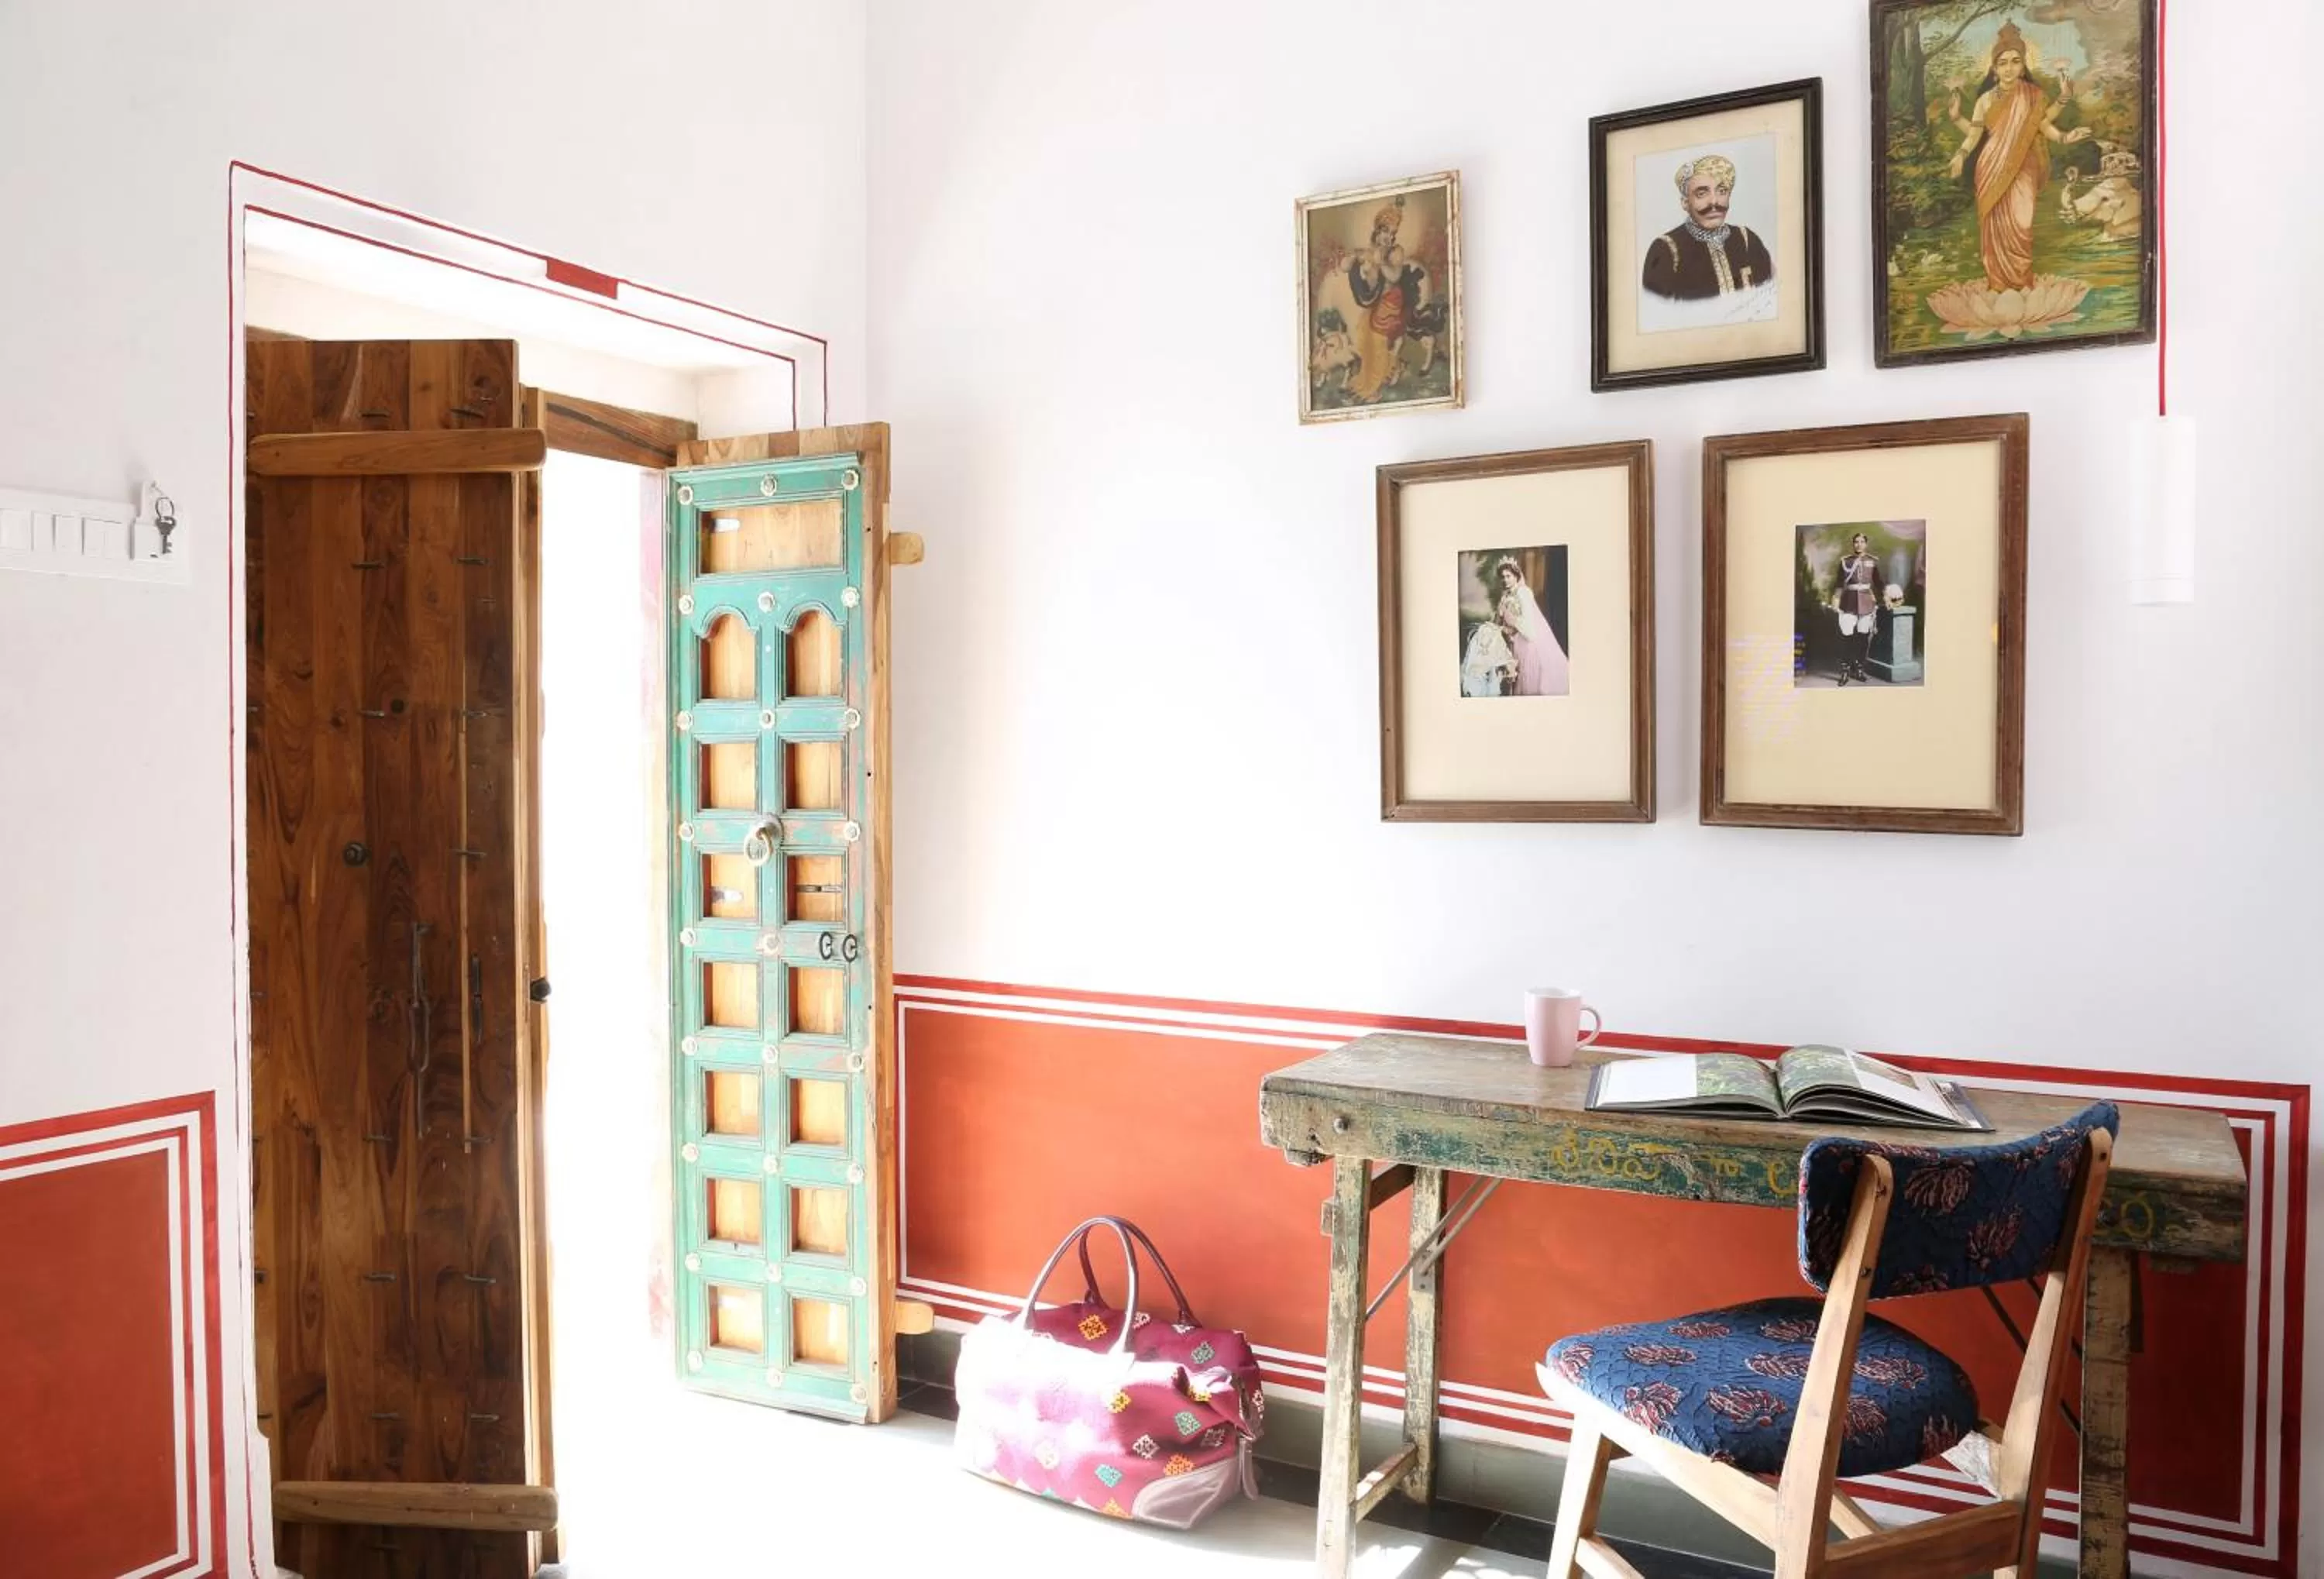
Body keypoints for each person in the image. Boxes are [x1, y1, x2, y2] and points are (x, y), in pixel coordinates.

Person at [1946, 20, 2093, 292]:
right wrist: (1960, 153)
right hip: (1990, 166)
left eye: (2015, 61)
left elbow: (2044, 126)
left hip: (2025, 166)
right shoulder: (1985, 100)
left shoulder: (2034, 95)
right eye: (2003, 63)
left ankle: (2021, 283)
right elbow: (1975, 135)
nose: (2009, 68)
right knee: (1994, 228)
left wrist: (2064, 136)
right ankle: (1999, 285)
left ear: (2023, 66)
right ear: (1993, 69)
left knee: (2022, 224)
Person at [1344, 198, 1447, 401]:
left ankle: (1373, 388)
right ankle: (1368, 378)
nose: (1389, 237)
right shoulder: (1371, 250)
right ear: (1378, 231)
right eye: (1386, 232)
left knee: (1378, 342)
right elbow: (1352, 264)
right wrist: (1350, 260)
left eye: (1393, 234)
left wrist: (1380, 262)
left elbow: (1394, 277)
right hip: (1376, 303)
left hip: (1392, 303)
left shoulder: (1395, 252)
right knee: (1364, 338)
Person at [1642, 154, 1775, 301]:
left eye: (1722, 191)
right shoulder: (1665, 250)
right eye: (1702, 194)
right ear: (1685, 203)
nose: (1714, 202)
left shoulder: (1747, 239)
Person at [1494, 559, 1569, 697]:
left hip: (1527, 643)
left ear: (1516, 576)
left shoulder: (1523, 592)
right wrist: (1502, 627)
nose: (1505, 580)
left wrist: (1513, 621)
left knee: (1530, 681)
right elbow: (1501, 620)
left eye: (1508, 576)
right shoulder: (1506, 596)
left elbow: (1529, 626)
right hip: (1513, 641)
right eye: (1503, 577)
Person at [1827, 533, 1881, 686]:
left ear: (1866, 544)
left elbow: (1879, 582)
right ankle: (1845, 670)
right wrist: (1836, 600)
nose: (1859, 544)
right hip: (1849, 602)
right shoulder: (1846, 561)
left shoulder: (1872, 561)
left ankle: (1858, 668)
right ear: (1853, 544)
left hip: (1866, 602)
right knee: (1847, 637)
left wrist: (1888, 597)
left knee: (1863, 638)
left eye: (1862, 542)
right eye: (1856, 542)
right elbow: (1839, 583)